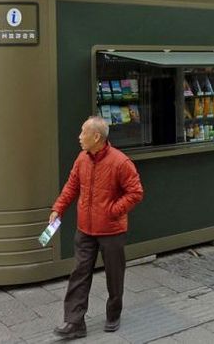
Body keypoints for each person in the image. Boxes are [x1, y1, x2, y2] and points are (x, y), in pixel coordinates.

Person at [50, 116, 143, 339]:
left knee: (114, 275)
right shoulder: (82, 159)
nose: (79, 137)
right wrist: (58, 209)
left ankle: (113, 314)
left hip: (112, 231)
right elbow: (71, 187)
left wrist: (113, 211)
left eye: (83, 132)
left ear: (96, 137)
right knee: (79, 274)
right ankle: (74, 322)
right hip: (85, 230)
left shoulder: (120, 162)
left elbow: (136, 192)